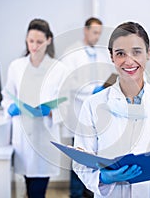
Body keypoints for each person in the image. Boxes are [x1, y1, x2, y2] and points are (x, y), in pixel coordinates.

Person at [73, 22, 150, 197]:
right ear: (112, 57)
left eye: (136, 52)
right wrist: (102, 178)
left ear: (148, 54)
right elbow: (80, 162)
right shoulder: (93, 105)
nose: (129, 60)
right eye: (120, 53)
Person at [1, 19, 67, 198]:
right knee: (29, 184)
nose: (34, 46)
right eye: (31, 41)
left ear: (49, 40)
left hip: (44, 137)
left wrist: (51, 111)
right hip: (22, 136)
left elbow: (67, 105)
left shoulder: (58, 69)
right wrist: (10, 107)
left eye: (39, 42)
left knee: (37, 189)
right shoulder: (16, 66)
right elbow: (7, 95)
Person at [60, 17, 114, 198]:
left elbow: (103, 78)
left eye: (99, 33)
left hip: (97, 111)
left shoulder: (99, 54)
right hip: (77, 109)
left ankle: (89, 191)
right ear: (85, 30)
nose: (97, 36)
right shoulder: (72, 52)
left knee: (94, 152)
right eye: (94, 32)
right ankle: (75, 194)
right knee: (79, 154)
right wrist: (92, 90)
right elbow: (68, 82)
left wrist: (103, 88)